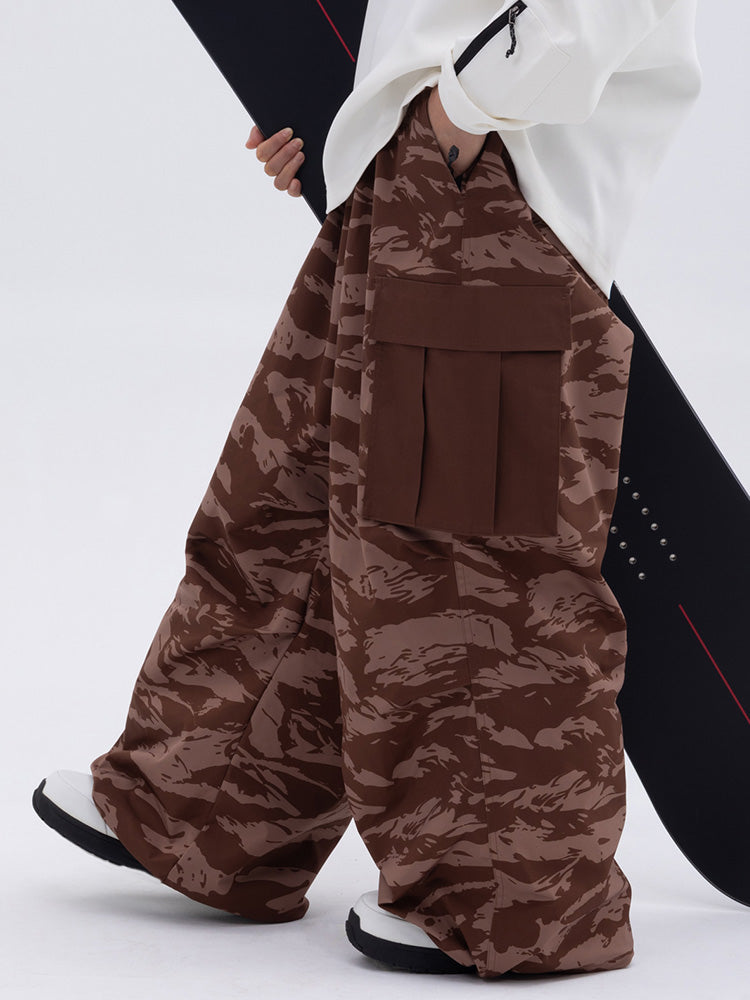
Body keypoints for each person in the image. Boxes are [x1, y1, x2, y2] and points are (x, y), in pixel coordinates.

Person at [32, 0, 702, 980]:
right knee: (290, 505)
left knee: (461, 561)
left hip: (495, 185)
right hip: (413, 164)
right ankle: (208, 812)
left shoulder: (478, 127)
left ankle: (510, 901)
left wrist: (459, 112)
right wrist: (354, 123)